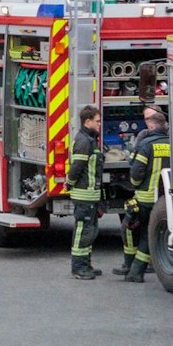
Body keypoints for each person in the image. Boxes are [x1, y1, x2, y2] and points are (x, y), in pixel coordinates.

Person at [116, 106, 170, 283]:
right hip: (166, 200)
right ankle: (133, 269)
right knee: (147, 234)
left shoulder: (146, 146)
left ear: (152, 126)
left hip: (145, 198)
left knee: (132, 229)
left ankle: (134, 269)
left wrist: (135, 186)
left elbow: (136, 173)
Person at [68, 104, 104, 280]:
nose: (100, 124)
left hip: (91, 195)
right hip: (83, 195)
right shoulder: (84, 142)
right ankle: (78, 268)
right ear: (87, 121)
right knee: (82, 232)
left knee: (90, 232)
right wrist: (69, 183)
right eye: (97, 121)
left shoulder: (90, 140)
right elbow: (77, 167)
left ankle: (86, 264)